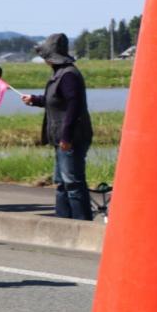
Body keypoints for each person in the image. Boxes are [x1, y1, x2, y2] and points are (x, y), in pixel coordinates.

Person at [20, 33, 94, 220]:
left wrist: (66, 137)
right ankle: (63, 221)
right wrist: (34, 100)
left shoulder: (68, 75)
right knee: (61, 183)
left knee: (73, 183)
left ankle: (82, 223)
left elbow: (73, 107)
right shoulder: (60, 73)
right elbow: (54, 100)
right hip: (61, 137)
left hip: (70, 138)